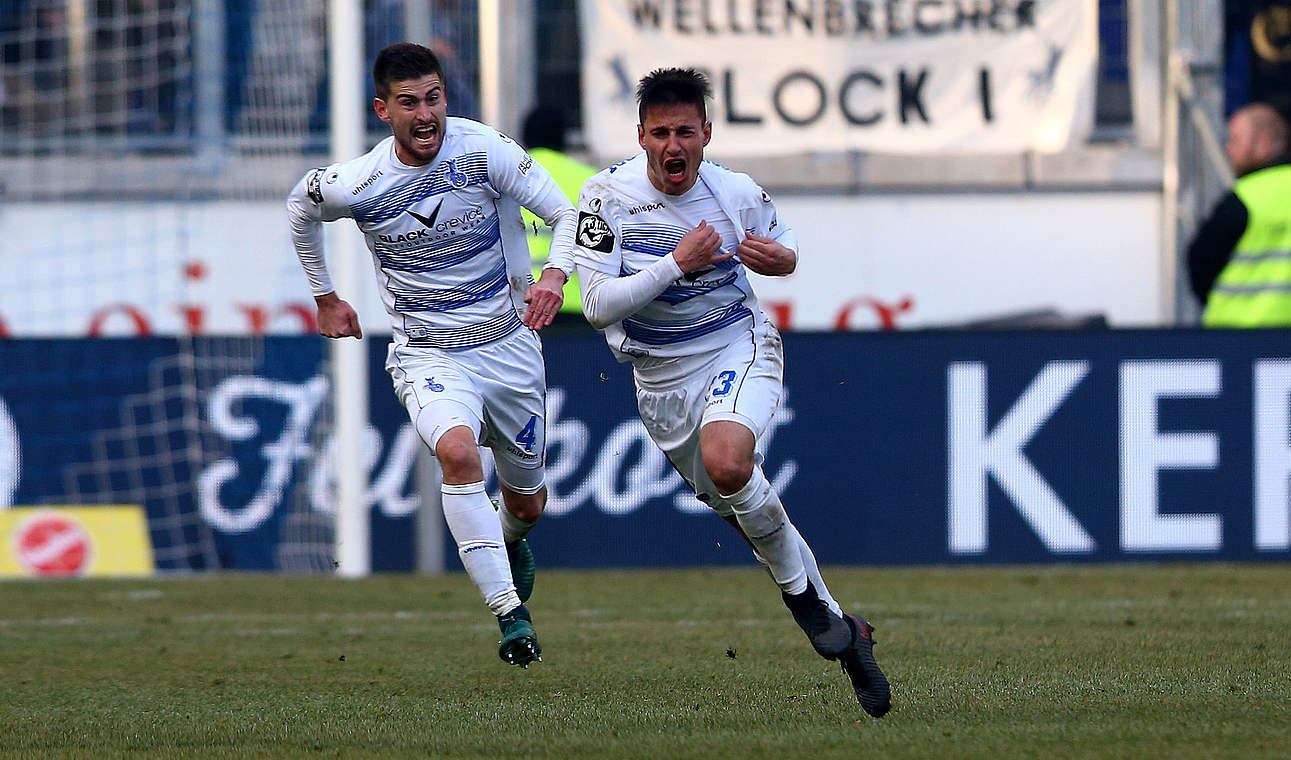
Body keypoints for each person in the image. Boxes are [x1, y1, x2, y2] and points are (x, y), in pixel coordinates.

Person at [571, 68, 891, 718]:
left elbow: (785, 241)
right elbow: (600, 305)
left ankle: (805, 607)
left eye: (685, 131)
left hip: (734, 345)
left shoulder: (734, 192)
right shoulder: (602, 199)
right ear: (640, 136)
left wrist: (782, 259)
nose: (673, 145)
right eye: (660, 132)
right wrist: (675, 263)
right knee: (743, 516)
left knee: (728, 461)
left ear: (706, 133)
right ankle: (840, 628)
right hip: (659, 384)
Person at [287, 42, 576, 668]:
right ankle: (509, 614)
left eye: (435, 97)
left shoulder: (486, 150)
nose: (427, 114)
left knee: (527, 501)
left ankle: (508, 536)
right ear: (383, 109)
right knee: (456, 452)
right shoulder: (358, 182)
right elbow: (299, 210)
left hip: (510, 346)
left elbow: (566, 212)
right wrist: (326, 295)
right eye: (410, 102)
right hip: (429, 354)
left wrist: (554, 277)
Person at [1187, 102, 1291, 326]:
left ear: (1263, 144)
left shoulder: (1244, 199)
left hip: (1241, 342)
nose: (1228, 149)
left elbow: (1199, 263)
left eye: (1235, 140)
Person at [520, 107, 599, 322]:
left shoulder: (510, 180)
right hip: (578, 307)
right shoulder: (589, 180)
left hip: (522, 305)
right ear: (565, 136)